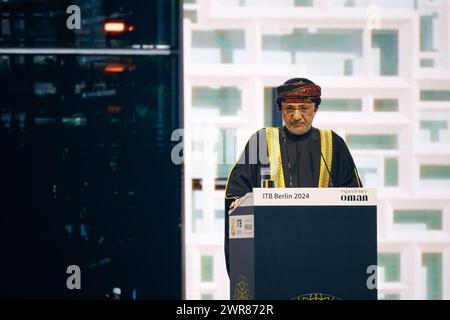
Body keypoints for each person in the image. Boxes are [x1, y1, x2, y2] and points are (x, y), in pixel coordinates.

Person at [224, 78, 363, 275]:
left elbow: (353, 198)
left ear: (315, 109)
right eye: (289, 108)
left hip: (323, 254)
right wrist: (242, 202)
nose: (296, 116)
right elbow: (236, 191)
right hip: (271, 253)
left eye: (304, 108)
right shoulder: (262, 141)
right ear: (280, 109)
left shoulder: (333, 144)